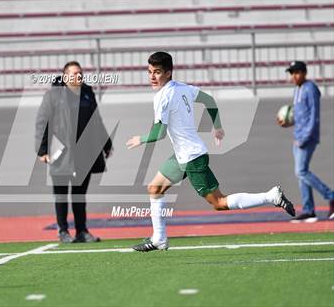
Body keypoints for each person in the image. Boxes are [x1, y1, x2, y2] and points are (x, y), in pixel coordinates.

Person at [126, 52, 295, 252]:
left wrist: (141, 139)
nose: (152, 77)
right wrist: (218, 127)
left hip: (191, 158)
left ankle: (271, 196)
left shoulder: (162, 97)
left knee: (219, 203)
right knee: (155, 188)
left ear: (169, 72)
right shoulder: (184, 88)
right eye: (150, 72)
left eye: (157, 72)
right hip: (183, 156)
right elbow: (209, 100)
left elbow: (159, 133)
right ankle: (159, 239)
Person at [35, 61, 113, 243]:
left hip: (84, 153)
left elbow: (97, 120)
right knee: (61, 194)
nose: (78, 76)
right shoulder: (53, 95)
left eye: (80, 73)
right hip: (60, 152)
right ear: (65, 76)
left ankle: (82, 231)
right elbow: (42, 122)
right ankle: (63, 231)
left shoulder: (87, 93)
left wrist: (106, 144)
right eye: (74, 74)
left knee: (79, 194)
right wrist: (42, 149)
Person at [278, 61, 334, 222]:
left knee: (301, 171)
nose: (293, 76)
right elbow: (300, 115)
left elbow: (314, 116)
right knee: (301, 174)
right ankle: (309, 210)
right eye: (291, 73)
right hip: (298, 137)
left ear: (304, 73)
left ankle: (331, 196)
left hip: (307, 138)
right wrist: (288, 123)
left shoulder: (310, 88)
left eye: (297, 72)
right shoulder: (297, 89)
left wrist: (304, 138)